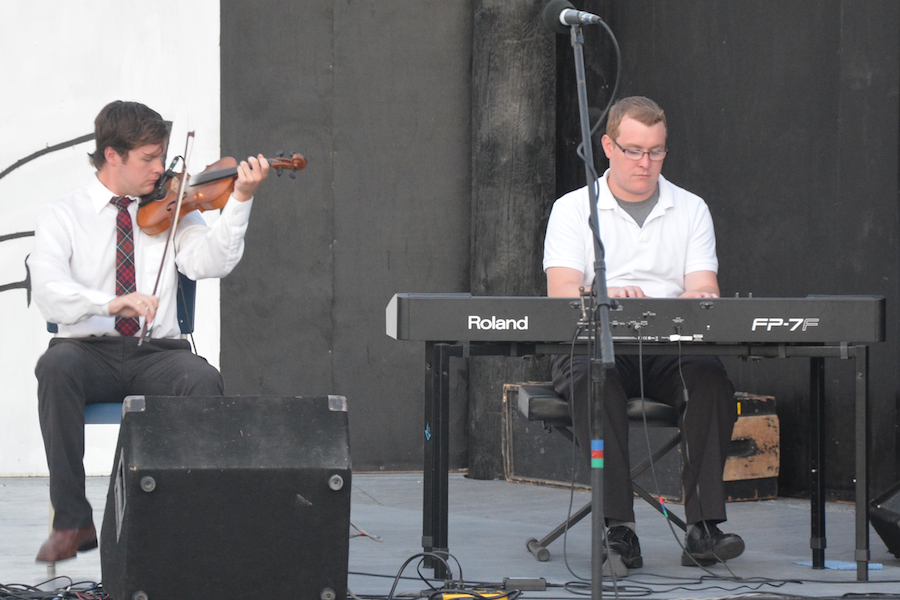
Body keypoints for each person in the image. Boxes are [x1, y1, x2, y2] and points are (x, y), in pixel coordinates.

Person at [27, 100, 270, 563]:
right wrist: (109, 302)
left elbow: (210, 262)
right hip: (87, 351)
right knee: (54, 366)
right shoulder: (63, 214)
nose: (161, 170)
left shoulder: (177, 207)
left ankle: (192, 520)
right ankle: (72, 521)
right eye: (148, 159)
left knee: (201, 378)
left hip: (157, 352)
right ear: (112, 155)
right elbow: (49, 290)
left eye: (163, 157)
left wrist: (239, 202)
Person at [543, 96, 743, 572]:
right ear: (608, 147)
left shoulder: (691, 209)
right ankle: (618, 529)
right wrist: (602, 293)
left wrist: (692, 301)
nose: (645, 162)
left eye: (656, 151)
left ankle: (703, 529)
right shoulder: (573, 209)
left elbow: (704, 287)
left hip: (667, 346)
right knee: (597, 385)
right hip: (591, 342)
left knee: (711, 383)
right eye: (634, 150)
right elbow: (561, 291)